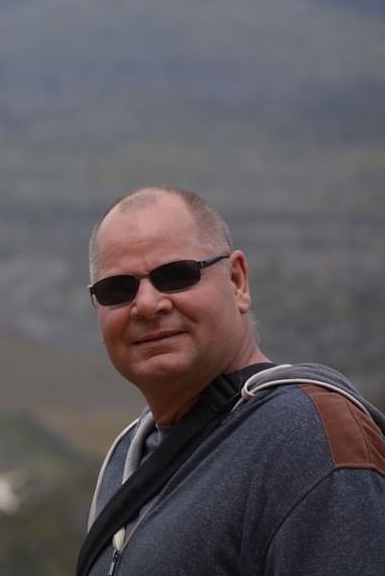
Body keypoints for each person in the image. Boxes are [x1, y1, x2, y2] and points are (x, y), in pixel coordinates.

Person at [76, 185, 385, 575]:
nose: (148, 304)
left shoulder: (307, 438)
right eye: (117, 289)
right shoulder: (126, 459)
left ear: (237, 281)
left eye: (175, 275)